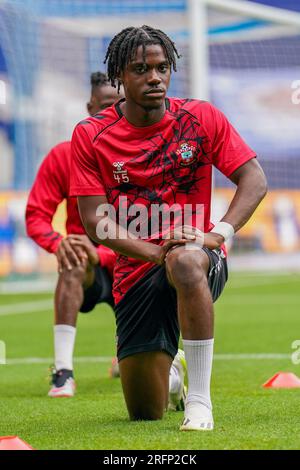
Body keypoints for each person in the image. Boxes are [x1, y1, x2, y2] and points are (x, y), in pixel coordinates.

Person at [70, 26, 267, 430]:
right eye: (141, 69)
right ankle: (172, 372)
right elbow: (95, 221)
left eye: (162, 68)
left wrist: (218, 234)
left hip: (197, 255)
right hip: (134, 271)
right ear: (120, 78)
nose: (154, 77)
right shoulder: (91, 135)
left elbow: (254, 179)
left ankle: (199, 401)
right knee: (145, 411)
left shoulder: (200, 117)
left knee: (187, 260)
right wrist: (152, 251)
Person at [26, 72, 122, 397]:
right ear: (89, 106)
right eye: (104, 106)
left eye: (118, 106)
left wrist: (105, 254)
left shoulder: (139, 155)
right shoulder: (63, 156)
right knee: (72, 261)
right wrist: (59, 243)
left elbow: (151, 232)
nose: (110, 114)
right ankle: (63, 372)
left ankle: (132, 350)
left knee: (164, 266)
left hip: (131, 261)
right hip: (87, 266)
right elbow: (36, 216)